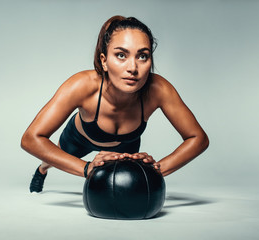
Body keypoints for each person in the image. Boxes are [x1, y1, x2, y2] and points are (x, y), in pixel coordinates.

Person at [21, 15, 209, 193]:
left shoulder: (158, 89)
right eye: (121, 55)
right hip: (80, 138)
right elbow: (31, 139)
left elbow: (198, 138)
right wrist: (86, 168)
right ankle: (42, 170)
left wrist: (157, 168)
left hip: (125, 147)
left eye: (142, 56)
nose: (132, 68)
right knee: (51, 160)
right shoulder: (82, 85)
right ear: (104, 61)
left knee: (122, 189)